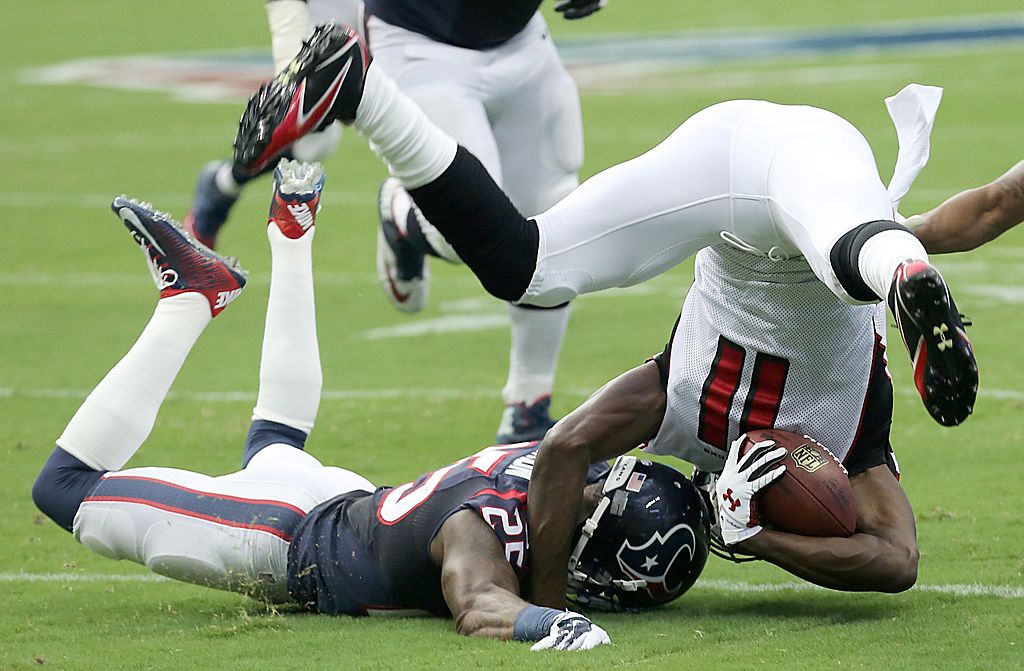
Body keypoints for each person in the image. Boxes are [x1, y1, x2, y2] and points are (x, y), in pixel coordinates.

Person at [230, 25, 981, 607]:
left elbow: (562, 450)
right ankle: (903, 273)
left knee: (527, 267)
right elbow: (897, 558)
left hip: (724, 160)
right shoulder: (855, 437)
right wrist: (762, 535)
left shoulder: (677, 398)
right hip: (806, 165)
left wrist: (554, 601)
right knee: (847, 255)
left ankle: (363, 91)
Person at [31, 160, 711, 650]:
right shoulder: (479, 531)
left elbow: (619, 419)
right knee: (62, 487)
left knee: (274, 442)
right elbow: (478, 605)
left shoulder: (559, 456)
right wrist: (549, 619)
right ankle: (189, 301)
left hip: (342, 502)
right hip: (282, 537)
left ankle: (291, 239)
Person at [192, 0, 610, 445]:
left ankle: (528, 409)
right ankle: (396, 214)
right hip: (420, 42)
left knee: (549, 218)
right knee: (317, 137)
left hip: (521, 39)